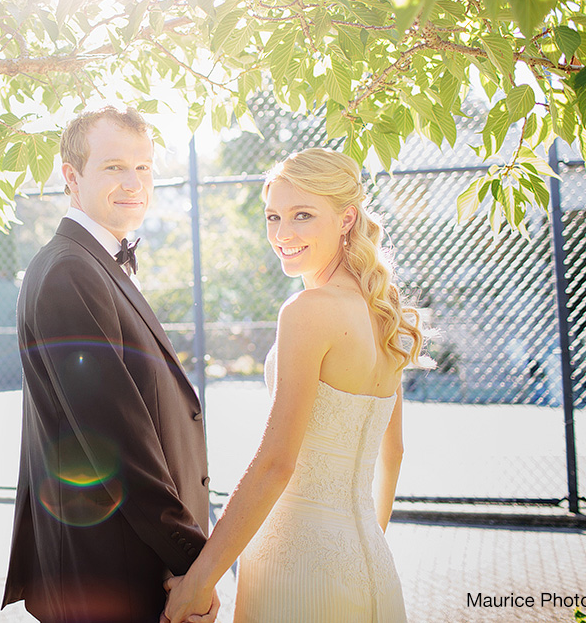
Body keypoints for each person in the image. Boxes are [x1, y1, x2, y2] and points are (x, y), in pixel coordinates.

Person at [162, 147, 423, 623]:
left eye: (303, 215)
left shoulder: (306, 312)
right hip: (371, 565)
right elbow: (395, 452)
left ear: (346, 218)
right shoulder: (387, 314)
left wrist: (198, 582)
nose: (283, 233)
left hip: (296, 564)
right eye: (273, 217)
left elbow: (276, 465)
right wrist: (364, 542)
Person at [2, 106, 218, 623]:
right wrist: (194, 564)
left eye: (144, 168)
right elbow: (116, 441)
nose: (134, 182)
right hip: (109, 577)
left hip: (129, 565)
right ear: (71, 177)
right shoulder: (69, 272)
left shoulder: (94, 262)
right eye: (114, 167)